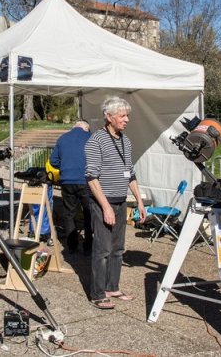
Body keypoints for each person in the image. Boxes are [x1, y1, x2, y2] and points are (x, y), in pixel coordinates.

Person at [85, 96, 146, 310]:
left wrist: (139, 201)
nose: (127, 119)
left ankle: (113, 286)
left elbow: (130, 173)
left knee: (118, 249)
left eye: (127, 115)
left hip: (121, 202)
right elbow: (91, 177)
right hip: (103, 202)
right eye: (122, 116)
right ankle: (97, 293)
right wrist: (105, 207)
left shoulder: (125, 141)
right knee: (102, 249)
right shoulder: (96, 140)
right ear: (109, 117)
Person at [50, 120, 92, 254]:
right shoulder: (90, 137)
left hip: (66, 180)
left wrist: (64, 167)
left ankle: (72, 245)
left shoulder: (62, 138)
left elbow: (53, 161)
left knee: (69, 213)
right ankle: (88, 246)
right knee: (88, 212)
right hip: (85, 181)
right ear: (86, 128)